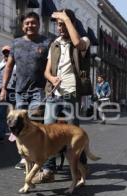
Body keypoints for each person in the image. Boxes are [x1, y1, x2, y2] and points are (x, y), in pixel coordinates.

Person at [32, 9, 91, 183]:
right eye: (58, 25)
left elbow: (78, 44)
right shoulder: (54, 44)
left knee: (73, 133)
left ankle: (80, 167)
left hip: (71, 93)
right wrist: (51, 77)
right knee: (48, 132)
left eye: (64, 24)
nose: (60, 27)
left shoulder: (83, 40)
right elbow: (46, 71)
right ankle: (49, 170)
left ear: (72, 23)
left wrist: (65, 17)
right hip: (54, 93)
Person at [0, 12, 52, 169]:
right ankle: (24, 157)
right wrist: (3, 88)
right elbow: (9, 67)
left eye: (33, 22)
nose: (30, 25)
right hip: (20, 91)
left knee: (35, 124)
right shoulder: (16, 43)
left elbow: (52, 66)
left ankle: (35, 156)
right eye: (27, 23)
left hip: (39, 91)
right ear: (23, 26)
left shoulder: (47, 42)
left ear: (39, 24)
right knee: (20, 125)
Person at [0, 45, 16, 144]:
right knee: (1, 114)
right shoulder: (0, 65)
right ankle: (0, 136)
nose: (6, 54)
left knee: (13, 114)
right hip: (2, 91)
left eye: (8, 52)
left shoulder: (16, 65)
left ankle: (15, 134)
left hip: (13, 91)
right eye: (4, 52)